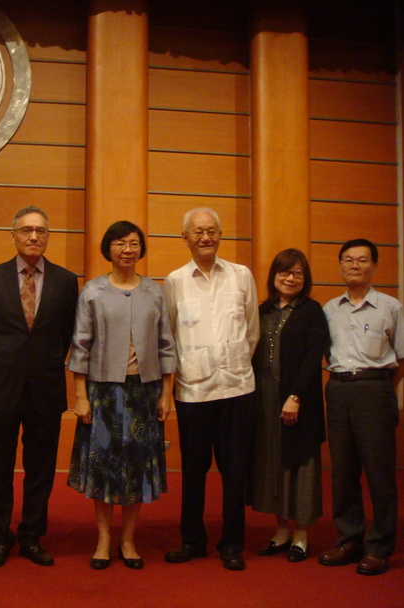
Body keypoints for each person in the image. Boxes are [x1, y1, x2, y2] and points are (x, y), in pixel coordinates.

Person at [67, 221, 175, 570]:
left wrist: (167, 393)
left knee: (136, 467)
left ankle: (128, 540)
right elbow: (80, 347)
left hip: (144, 392)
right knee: (103, 467)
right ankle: (103, 539)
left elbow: (167, 346)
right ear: (108, 249)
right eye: (119, 243)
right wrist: (80, 395)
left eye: (133, 243)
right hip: (102, 391)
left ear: (141, 249)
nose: (127, 250)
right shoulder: (93, 292)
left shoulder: (154, 292)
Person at [0, 206, 78, 568]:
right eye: (26, 230)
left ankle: (32, 536)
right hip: (2, 388)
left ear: (48, 237)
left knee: (41, 470)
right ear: (13, 235)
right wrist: (9, 362)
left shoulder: (66, 282)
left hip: (46, 390)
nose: (33, 237)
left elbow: (66, 334)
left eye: (40, 231)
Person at [162, 207, 259, 571]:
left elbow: (251, 331)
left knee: (235, 472)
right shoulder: (174, 281)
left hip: (237, 389)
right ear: (184, 237)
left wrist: (233, 363)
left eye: (212, 231)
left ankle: (232, 543)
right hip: (193, 393)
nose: (206, 237)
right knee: (193, 470)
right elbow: (169, 335)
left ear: (220, 235)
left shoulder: (241, 275)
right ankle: (193, 540)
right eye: (198, 231)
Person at [318, 238, 404, 576]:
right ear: (340, 266)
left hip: (375, 389)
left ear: (373, 267)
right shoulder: (328, 309)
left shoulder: (391, 307)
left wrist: (382, 389)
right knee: (343, 471)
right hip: (338, 390)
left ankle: (380, 546)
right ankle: (349, 538)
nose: (355, 266)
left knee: (380, 472)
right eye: (348, 260)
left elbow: (401, 359)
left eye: (362, 260)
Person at [250, 249, 328, 563]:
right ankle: (281, 530)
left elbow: (314, 358)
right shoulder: (263, 310)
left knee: (300, 464)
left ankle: (301, 535)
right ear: (274, 276)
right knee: (272, 462)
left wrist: (296, 396)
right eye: (284, 272)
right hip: (264, 398)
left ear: (305, 278)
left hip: (299, 400)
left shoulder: (312, 311)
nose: (290, 278)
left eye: (297, 273)